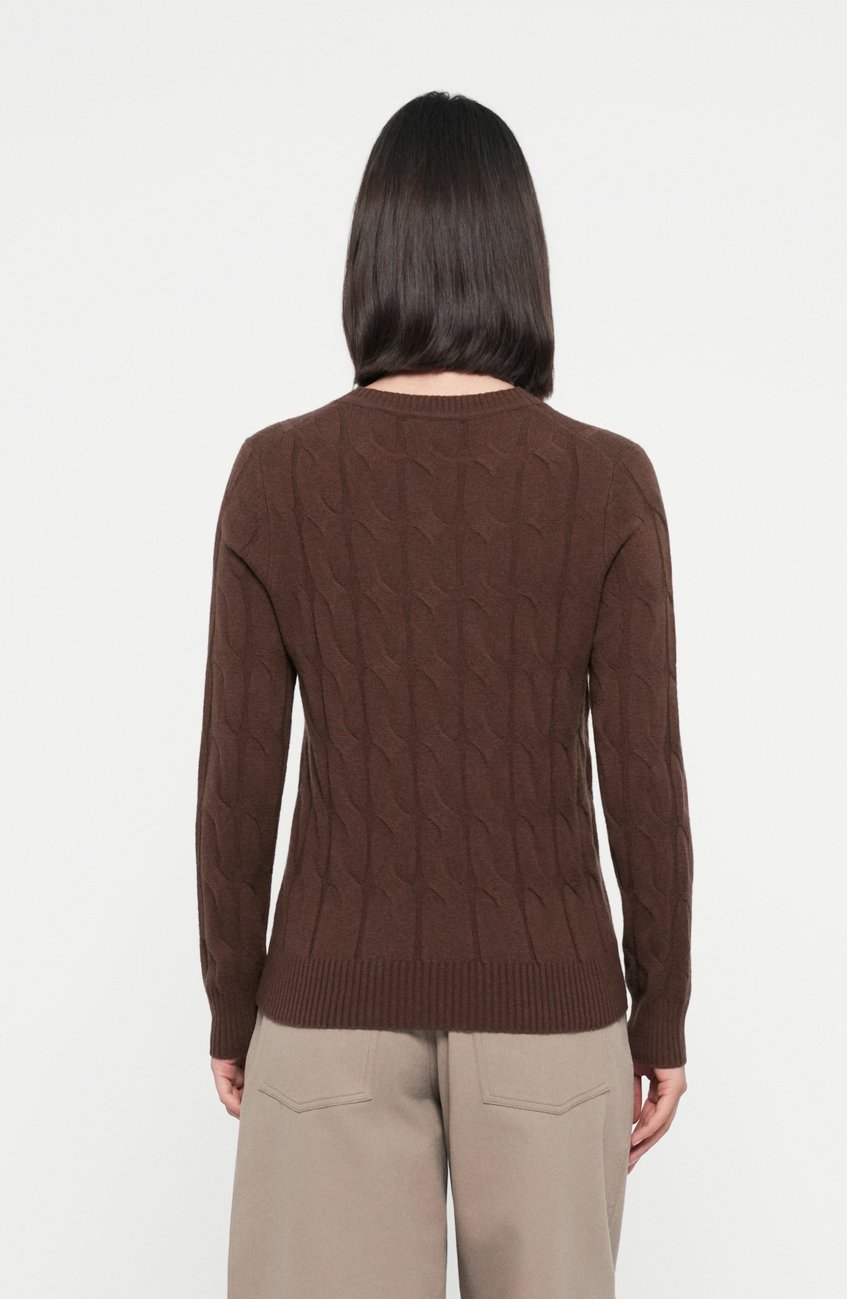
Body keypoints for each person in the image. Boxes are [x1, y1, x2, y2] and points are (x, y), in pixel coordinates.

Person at [195, 90, 694, 1299]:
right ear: (523, 264)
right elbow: (644, 778)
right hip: (554, 1012)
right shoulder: (605, 482)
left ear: (372, 259)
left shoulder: (278, 476)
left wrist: (233, 1003)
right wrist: (662, 1012)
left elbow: (236, 780)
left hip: (327, 1010)